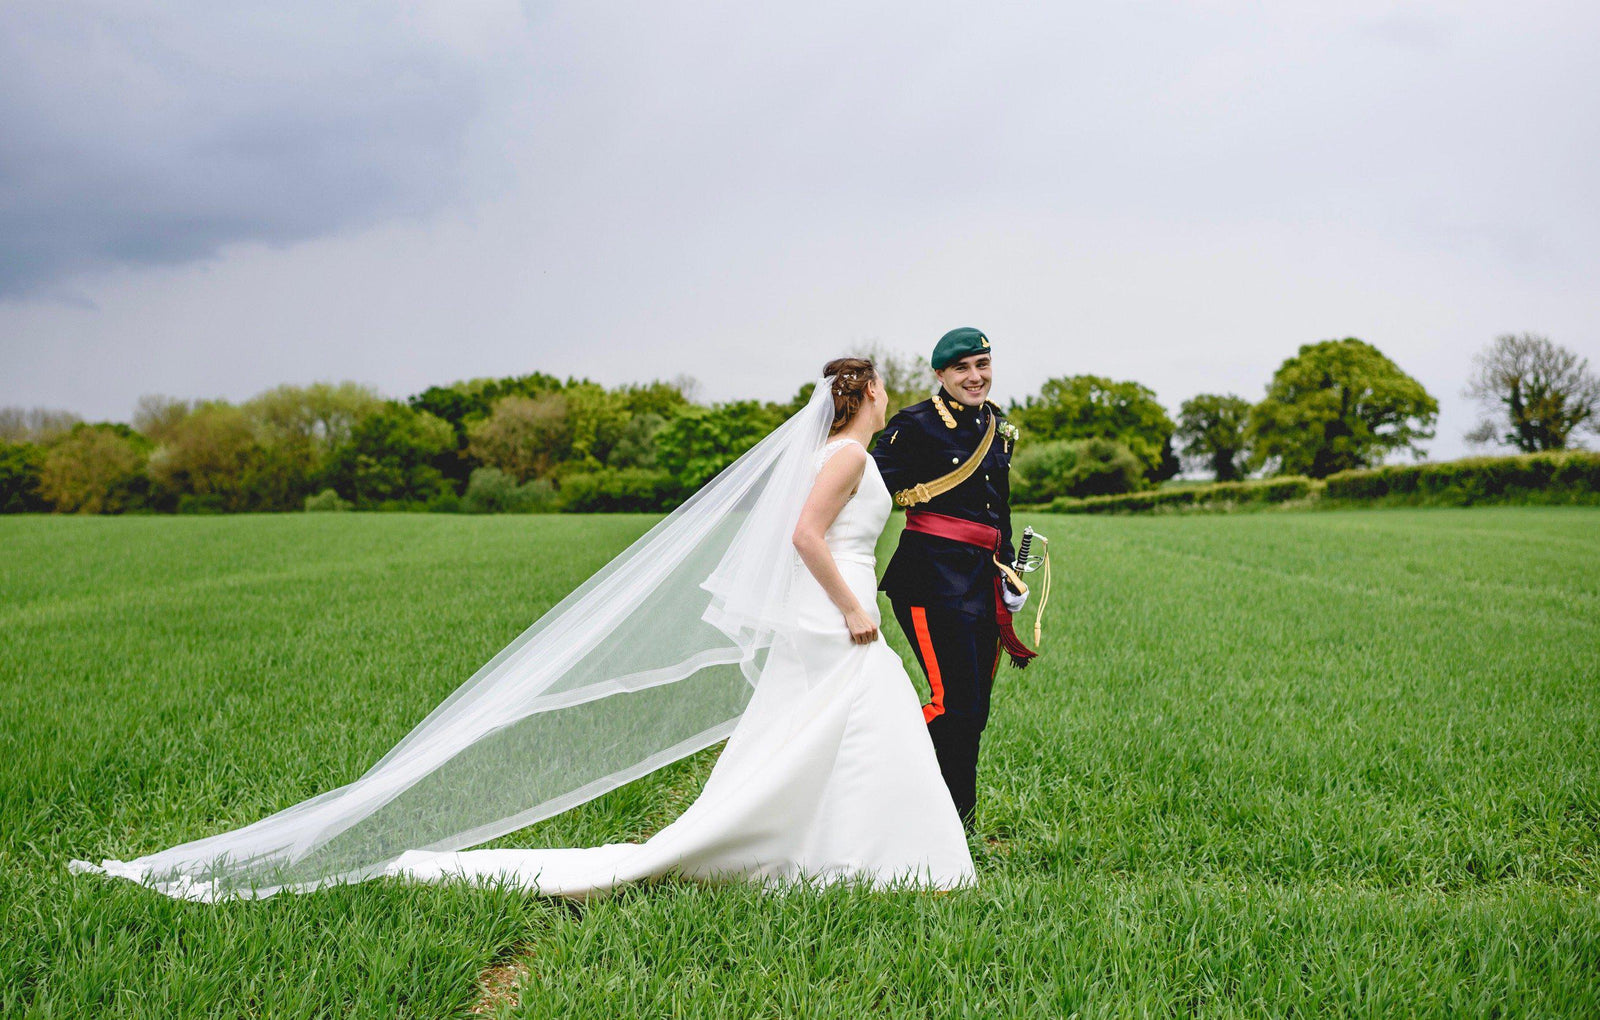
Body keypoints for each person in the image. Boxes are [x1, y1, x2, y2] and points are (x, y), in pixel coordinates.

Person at [71, 358, 974, 901]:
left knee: (823, 731)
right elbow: (805, 536)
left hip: (833, 612)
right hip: (836, 611)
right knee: (864, 719)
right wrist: (856, 607)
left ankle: (839, 850)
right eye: (883, 387)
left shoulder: (836, 450)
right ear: (865, 397)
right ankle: (879, 855)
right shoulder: (847, 453)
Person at [872, 327, 1033, 832]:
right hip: (930, 579)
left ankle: (956, 825)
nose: (974, 377)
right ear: (940, 374)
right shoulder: (913, 425)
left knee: (974, 712)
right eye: (962, 368)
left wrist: (1008, 567)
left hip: (983, 582)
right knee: (953, 705)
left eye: (982, 365)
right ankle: (881, 785)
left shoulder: (997, 423)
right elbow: (862, 490)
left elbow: (998, 509)